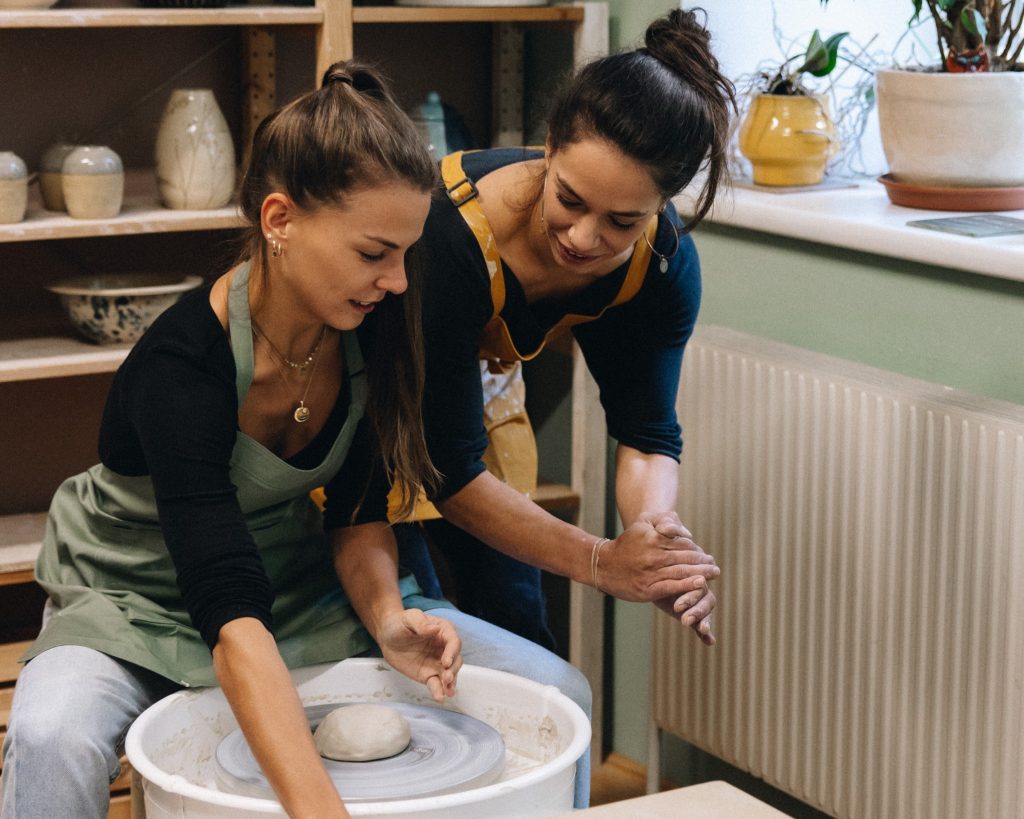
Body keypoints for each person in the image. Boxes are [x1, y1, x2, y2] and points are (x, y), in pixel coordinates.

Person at [0, 61, 590, 819]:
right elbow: (227, 605)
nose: (399, 280)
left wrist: (385, 619)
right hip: (135, 596)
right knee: (52, 736)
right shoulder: (182, 365)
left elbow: (356, 512)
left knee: (559, 691)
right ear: (280, 221)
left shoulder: (374, 326)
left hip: (297, 589)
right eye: (375, 252)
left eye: (406, 253)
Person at [392, 8, 735, 649]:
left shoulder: (659, 267)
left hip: (472, 423)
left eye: (622, 221)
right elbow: (447, 472)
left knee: (518, 628)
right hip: (369, 414)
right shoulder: (447, 235)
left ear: (662, 206)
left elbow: (648, 434)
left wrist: (658, 544)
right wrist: (604, 563)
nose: (584, 237)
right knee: (409, 627)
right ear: (548, 144)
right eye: (570, 200)